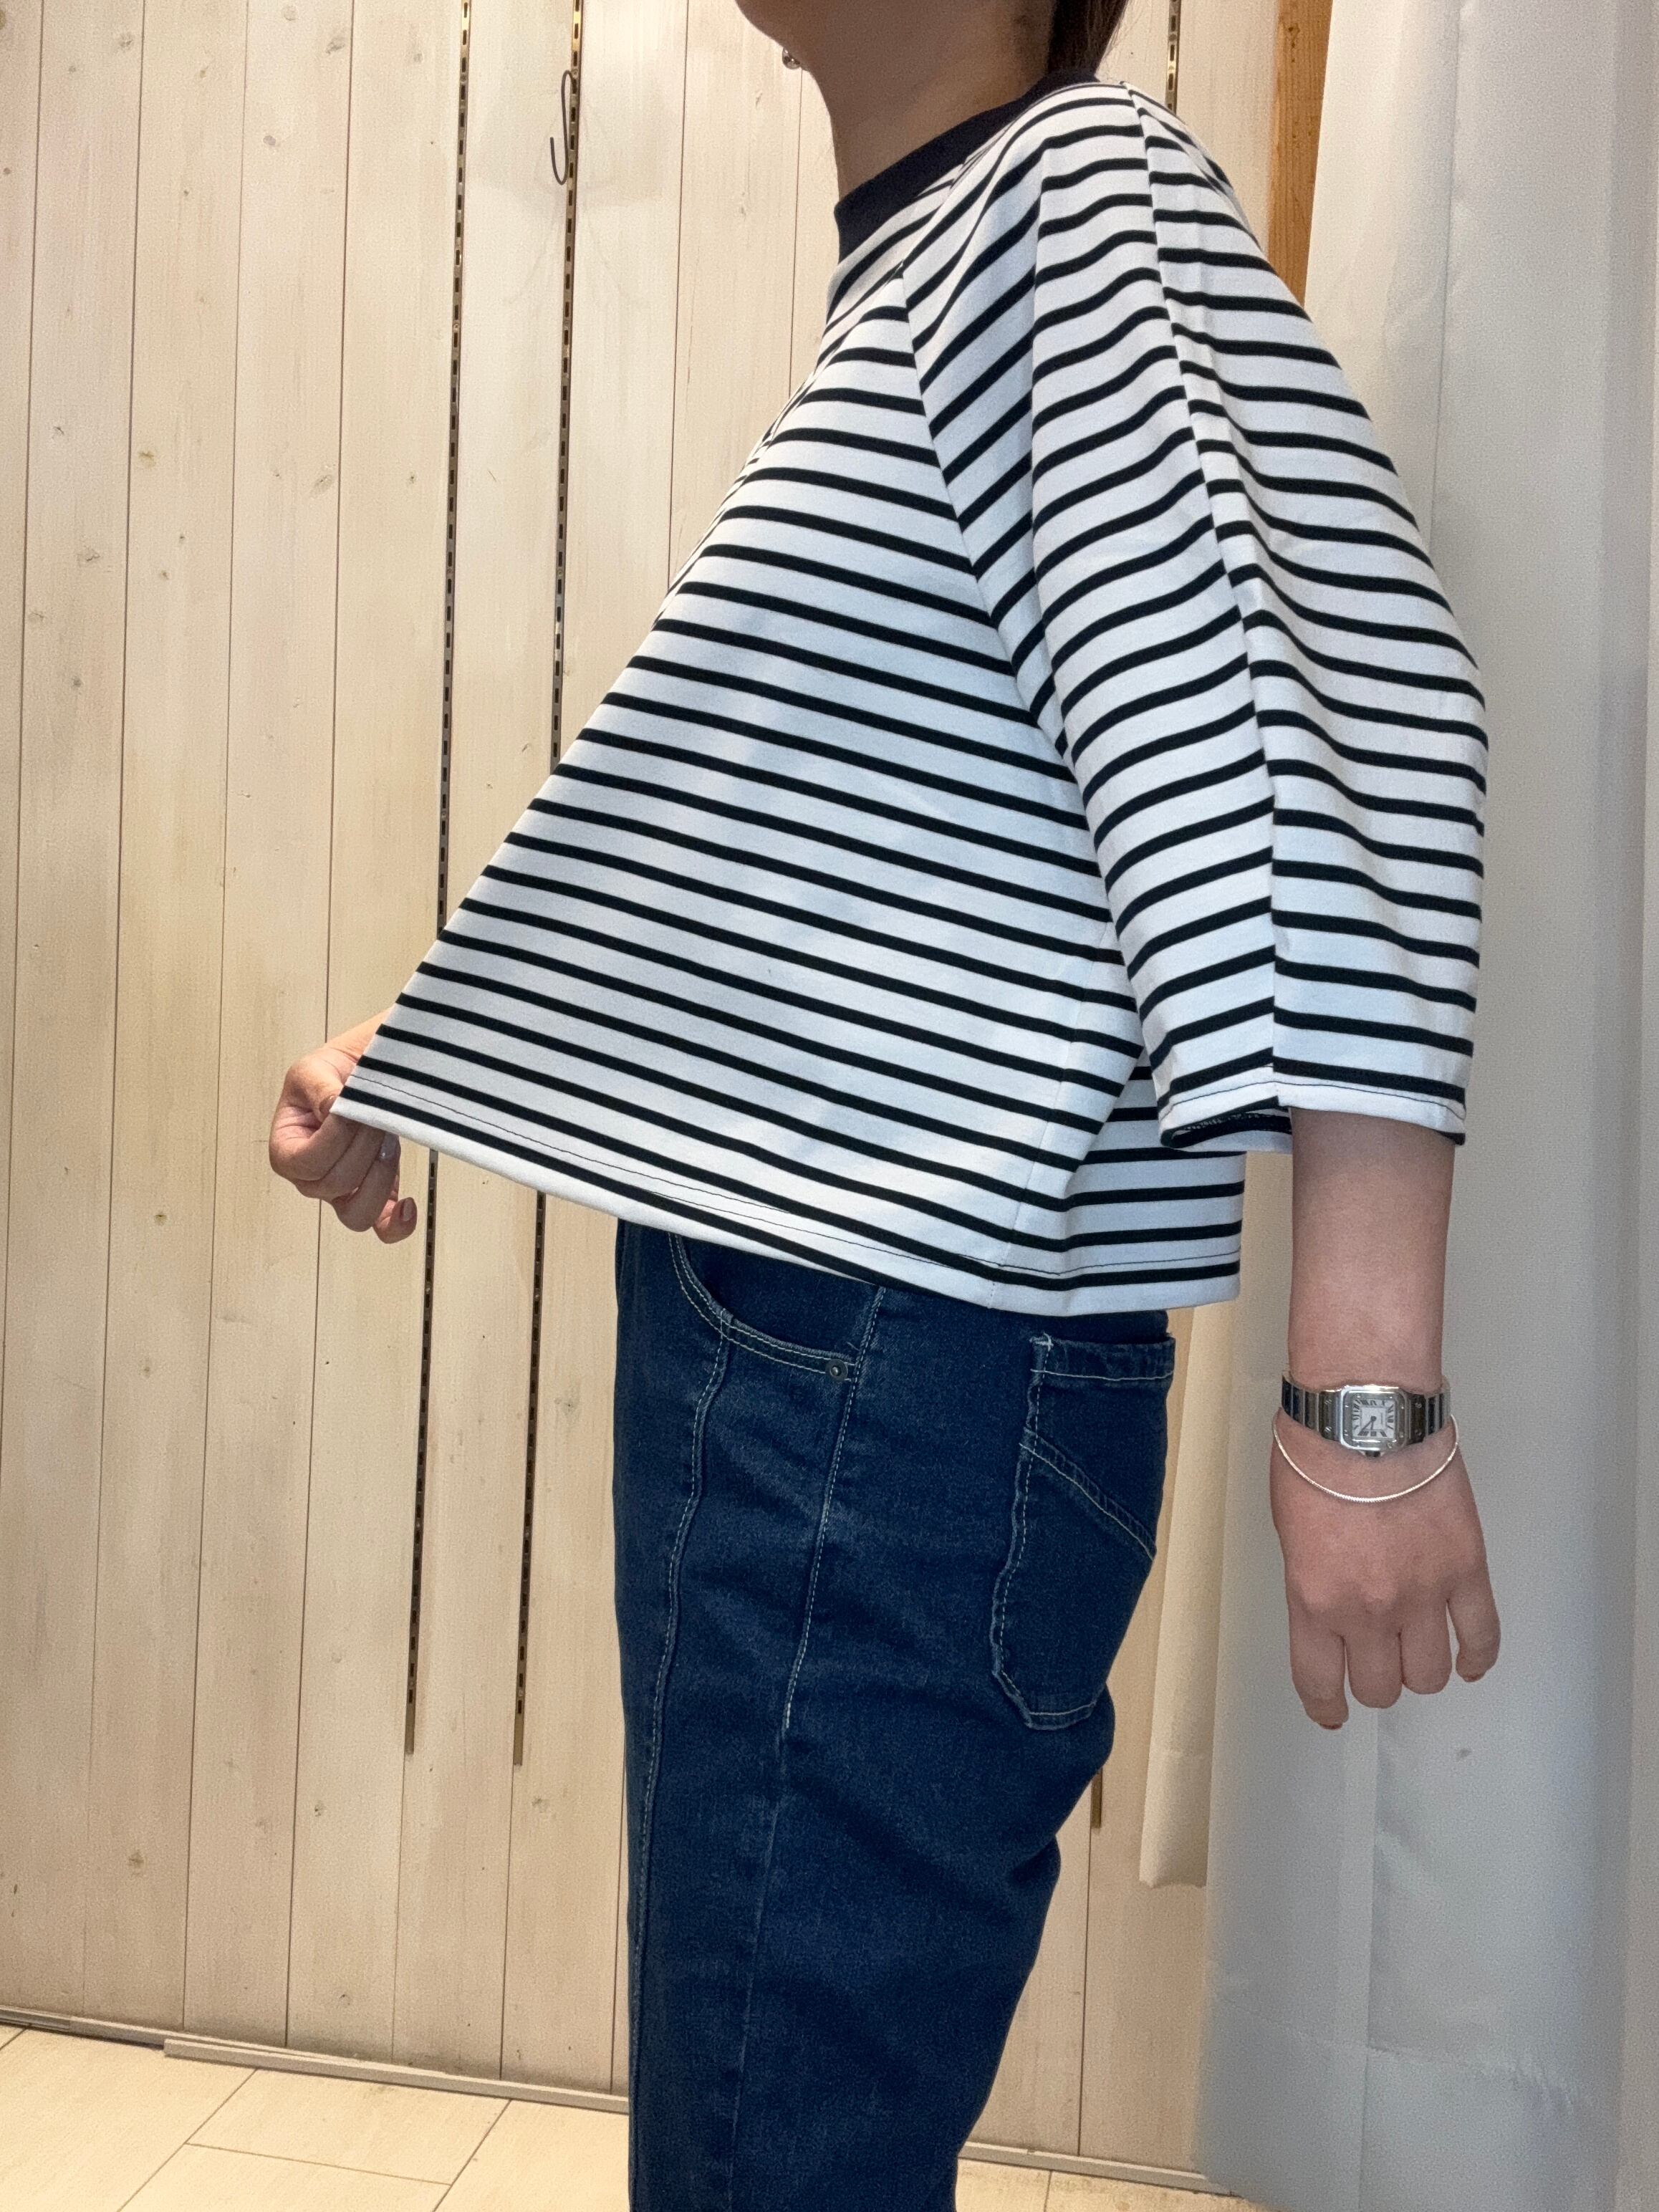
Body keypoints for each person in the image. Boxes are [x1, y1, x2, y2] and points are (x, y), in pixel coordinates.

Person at [270, 2, 1503, 2204]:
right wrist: (440, 1051)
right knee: (769, 2133)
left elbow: (1324, 717)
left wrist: (1364, 1396)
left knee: (772, 2160)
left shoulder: (1070, 197)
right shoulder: (940, 253)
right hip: (844, 1360)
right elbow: (858, 866)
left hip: (885, 1377)